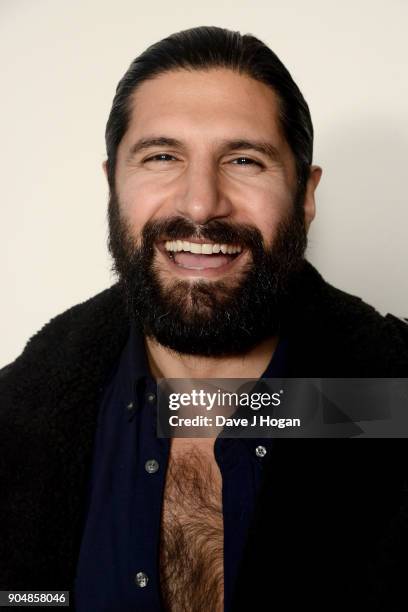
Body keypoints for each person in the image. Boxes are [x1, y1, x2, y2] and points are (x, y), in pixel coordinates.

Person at [1, 25, 407, 612]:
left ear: (306, 196)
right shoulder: (20, 420)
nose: (199, 203)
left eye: (244, 160)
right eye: (162, 157)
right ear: (112, 184)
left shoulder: (388, 400)